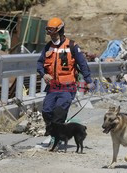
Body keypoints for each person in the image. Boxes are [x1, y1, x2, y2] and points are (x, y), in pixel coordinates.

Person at [37, 17, 94, 147]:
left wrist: (89, 81)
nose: (51, 35)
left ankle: (55, 139)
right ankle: (54, 132)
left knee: (59, 111)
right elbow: (40, 64)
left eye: (54, 32)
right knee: (46, 111)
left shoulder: (72, 46)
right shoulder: (48, 47)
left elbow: (83, 64)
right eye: (49, 32)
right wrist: (43, 74)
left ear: (60, 31)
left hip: (67, 87)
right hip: (52, 87)